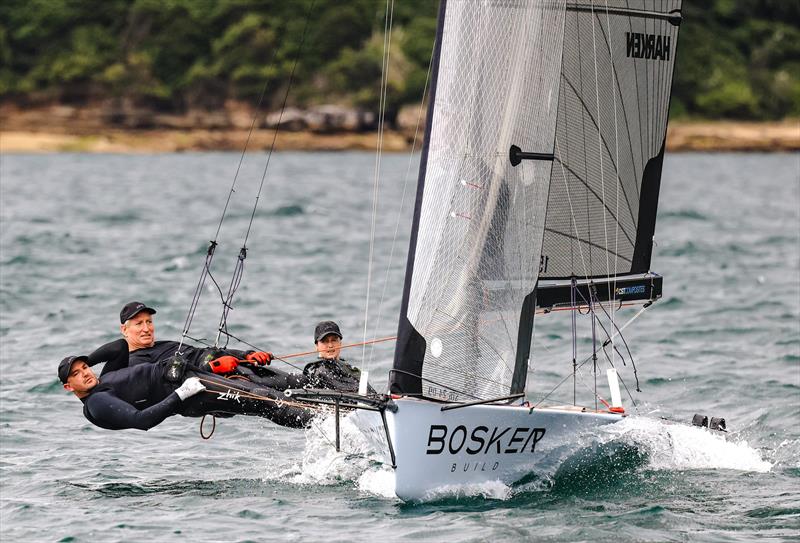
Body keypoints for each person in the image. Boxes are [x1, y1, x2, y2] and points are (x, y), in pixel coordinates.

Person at [58, 354, 315, 431]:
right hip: (190, 393)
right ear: (69, 387)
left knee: (261, 392)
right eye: (77, 374)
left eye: (85, 367)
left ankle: (324, 411)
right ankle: (321, 423)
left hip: (187, 378)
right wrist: (179, 395)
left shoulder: (103, 380)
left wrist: (91, 357)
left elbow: (119, 346)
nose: (86, 372)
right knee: (263, 401)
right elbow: (141, 421)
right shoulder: (98, 402)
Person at [87, 301, 279, 383]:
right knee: (283, 396)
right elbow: (169, 380)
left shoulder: (164, 344)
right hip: (220, 380)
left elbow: (208, 351)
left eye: (149, 322)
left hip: (234, 365)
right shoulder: (134, 363)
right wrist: (213, 368)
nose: (147, 328)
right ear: (124, 330)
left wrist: (247, 355)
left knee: (296, 382)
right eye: (139, 324)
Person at [303, 321, 371, 392]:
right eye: (325, 341)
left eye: (334, 340)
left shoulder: (348, 367)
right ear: (317, 346)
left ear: (340, 343)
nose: (330, 345)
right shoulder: (320, 371)